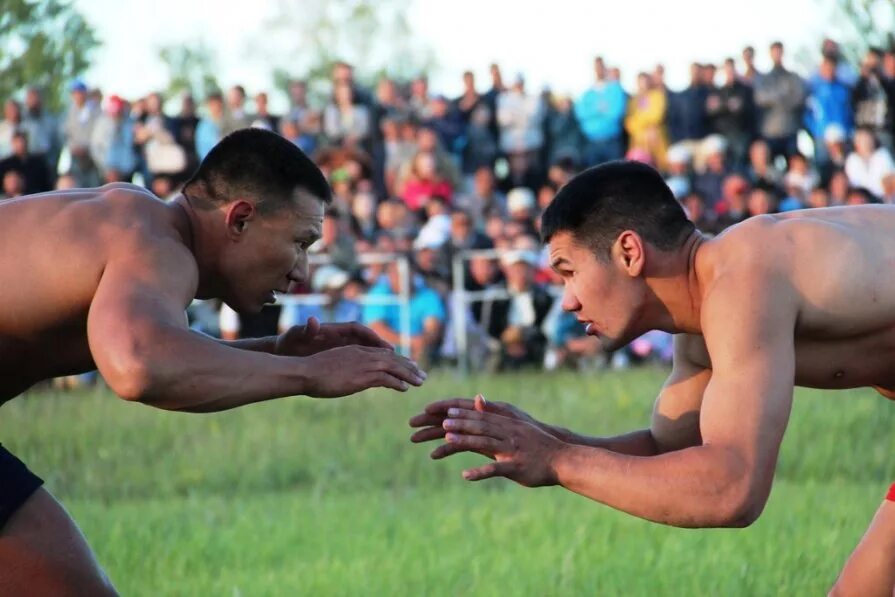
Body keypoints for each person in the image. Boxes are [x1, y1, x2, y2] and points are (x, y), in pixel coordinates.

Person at [411, 159, 895, 595]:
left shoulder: (741, 277)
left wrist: (559, 460)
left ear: (628, 251)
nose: (567, 301)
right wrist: (537, 438)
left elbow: (733, 488)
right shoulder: (703, 322)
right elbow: (674, 453)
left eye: (568, 271)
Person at [0, 128, 426, 594]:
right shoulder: (159, 248)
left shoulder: (134, 220)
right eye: (300, 243)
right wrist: (308, 373)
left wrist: (277, 351)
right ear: (240, 219)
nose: (301, 271)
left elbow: (156, 350)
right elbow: (139, 365)